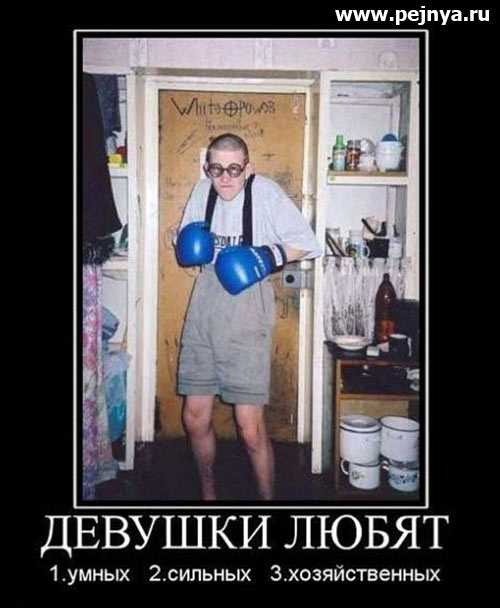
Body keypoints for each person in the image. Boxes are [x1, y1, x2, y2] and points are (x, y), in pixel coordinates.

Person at [175, 133, 322, 500]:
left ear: (248, 168)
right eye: (217, 169)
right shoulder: (202, 191)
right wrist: (177, 240)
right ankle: (209, 497)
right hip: (204, 303)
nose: (225, 178)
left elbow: (309, 243)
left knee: (249, 425)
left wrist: (266, 256)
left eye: (234, 169)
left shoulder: (266, 192)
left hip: (247, 305)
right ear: (207, 168)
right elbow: (183, 240)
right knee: (194, 417)